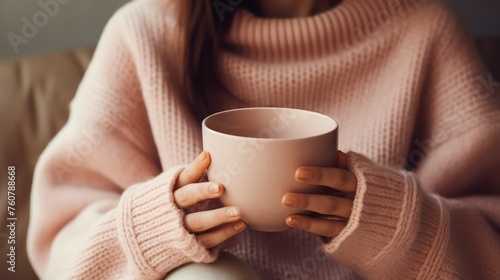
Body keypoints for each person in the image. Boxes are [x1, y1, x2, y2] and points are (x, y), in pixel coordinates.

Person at [27, 0, 500, 279]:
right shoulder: (145, 31)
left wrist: (396, 224)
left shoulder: (426, 31)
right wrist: (153, 230)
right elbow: (58, 246)